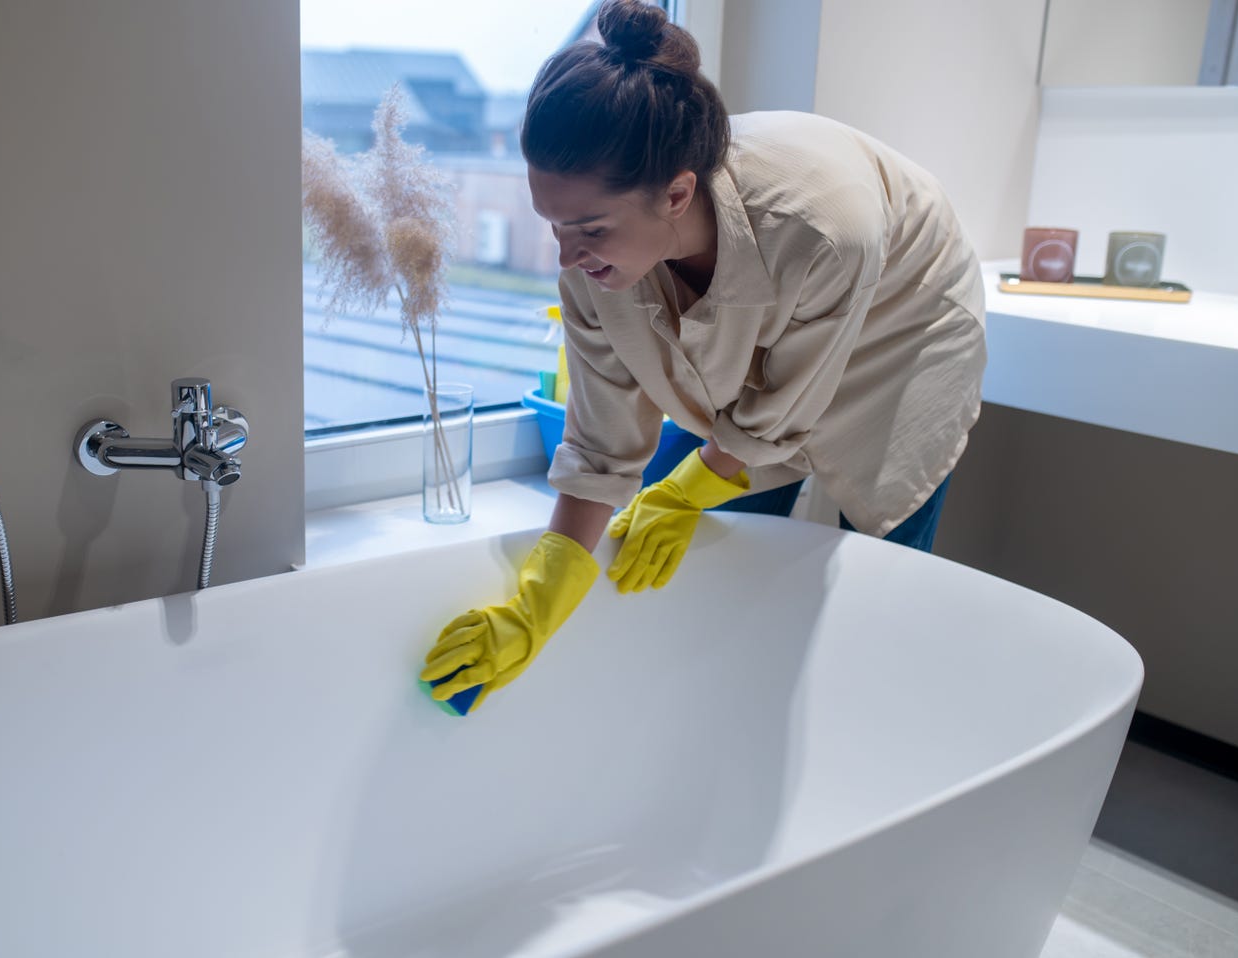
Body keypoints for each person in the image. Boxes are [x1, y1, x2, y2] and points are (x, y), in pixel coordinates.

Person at [420, 0, 987, 712]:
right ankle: (711, 719)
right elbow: (602, 443)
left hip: (900, 325)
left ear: (677, 193)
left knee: (880, 559)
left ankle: (875, 724)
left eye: (588, 227)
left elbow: (777, 419)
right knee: (674, 531)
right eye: (554, 226)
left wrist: (690, 488)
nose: (564, 255)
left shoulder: (823, 229)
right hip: (779, 297)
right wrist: (539, 600)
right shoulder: (595, 257)